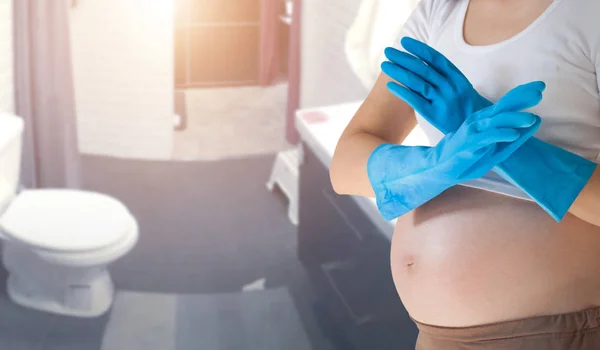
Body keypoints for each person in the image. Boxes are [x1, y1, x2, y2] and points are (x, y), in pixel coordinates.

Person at [330, 0, 600, 348]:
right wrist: (432, 165)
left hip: (552, 333)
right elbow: (346, 163)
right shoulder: (438, 13)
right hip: (433, 336)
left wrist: (521, 155)